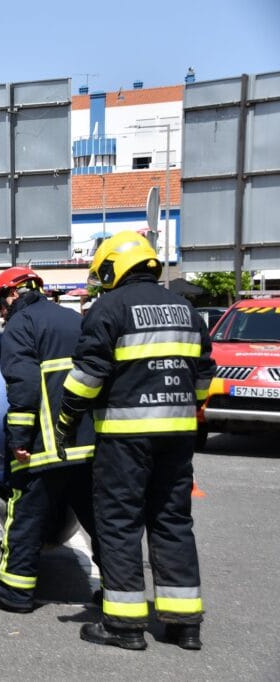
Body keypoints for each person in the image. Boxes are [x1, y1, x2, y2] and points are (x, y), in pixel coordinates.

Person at [55, 231, 213, 651]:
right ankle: (184, 623)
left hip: (125, 440)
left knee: (120, 523)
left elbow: (87, 376)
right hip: (177, 438)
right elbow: (203, 374)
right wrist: (181, 408)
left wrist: (67, 420)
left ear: (112, 267)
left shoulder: (109, 308)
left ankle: (123, 625)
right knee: (172, 521)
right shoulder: (185, 310)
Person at [0, 266, 99, 614]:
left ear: (12, 294)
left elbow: (24, 385)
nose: (1, 313)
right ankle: (118, 592)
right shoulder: (73, 320)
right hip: (87, 443)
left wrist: (19, 438)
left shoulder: (21, 325)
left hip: (44, 446)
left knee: (26, 518)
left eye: (0, 304)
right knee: (99, 520)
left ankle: (15, 594)